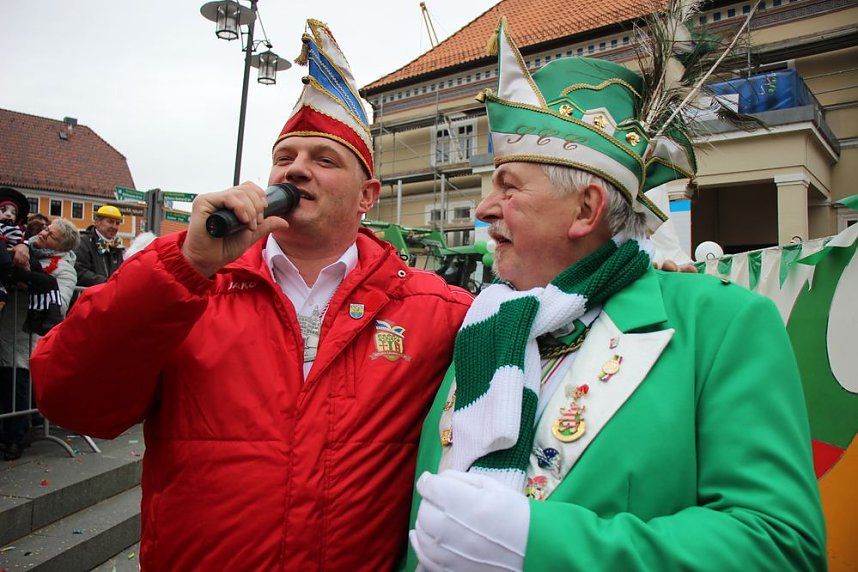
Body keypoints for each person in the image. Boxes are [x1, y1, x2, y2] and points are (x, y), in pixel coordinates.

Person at [31, 19, 471, 570]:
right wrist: (186, 268)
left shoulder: (438, 312)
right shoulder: (187, 284)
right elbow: (73, 402)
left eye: (324, 159)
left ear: (368, 196)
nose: (297, 169)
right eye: (285, 158)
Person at [406, 20, 826, 571]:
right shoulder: (487, 322)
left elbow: (781, 546)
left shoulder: (722, 323)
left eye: (508, 187)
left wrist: (540, 543)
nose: (484, 209)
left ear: (586, 209)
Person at [0, 217, 78, 460]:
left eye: (51, 235)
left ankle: (16, 438)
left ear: (61, 246)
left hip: (26, 333)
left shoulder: (64, 269)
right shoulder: (23, 246)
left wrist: (33, 283)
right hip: (6, 325)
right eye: (46, 229)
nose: (43, 234)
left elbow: (60, 306)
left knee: (16, 382)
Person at [73, 204, 125, 286]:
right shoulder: (83, 242)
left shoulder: (117, 246)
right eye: (110, 222)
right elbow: (80, 272)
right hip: (91, 292)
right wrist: (107, 283)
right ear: (97, 222)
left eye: (117, 223)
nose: (114, 226)